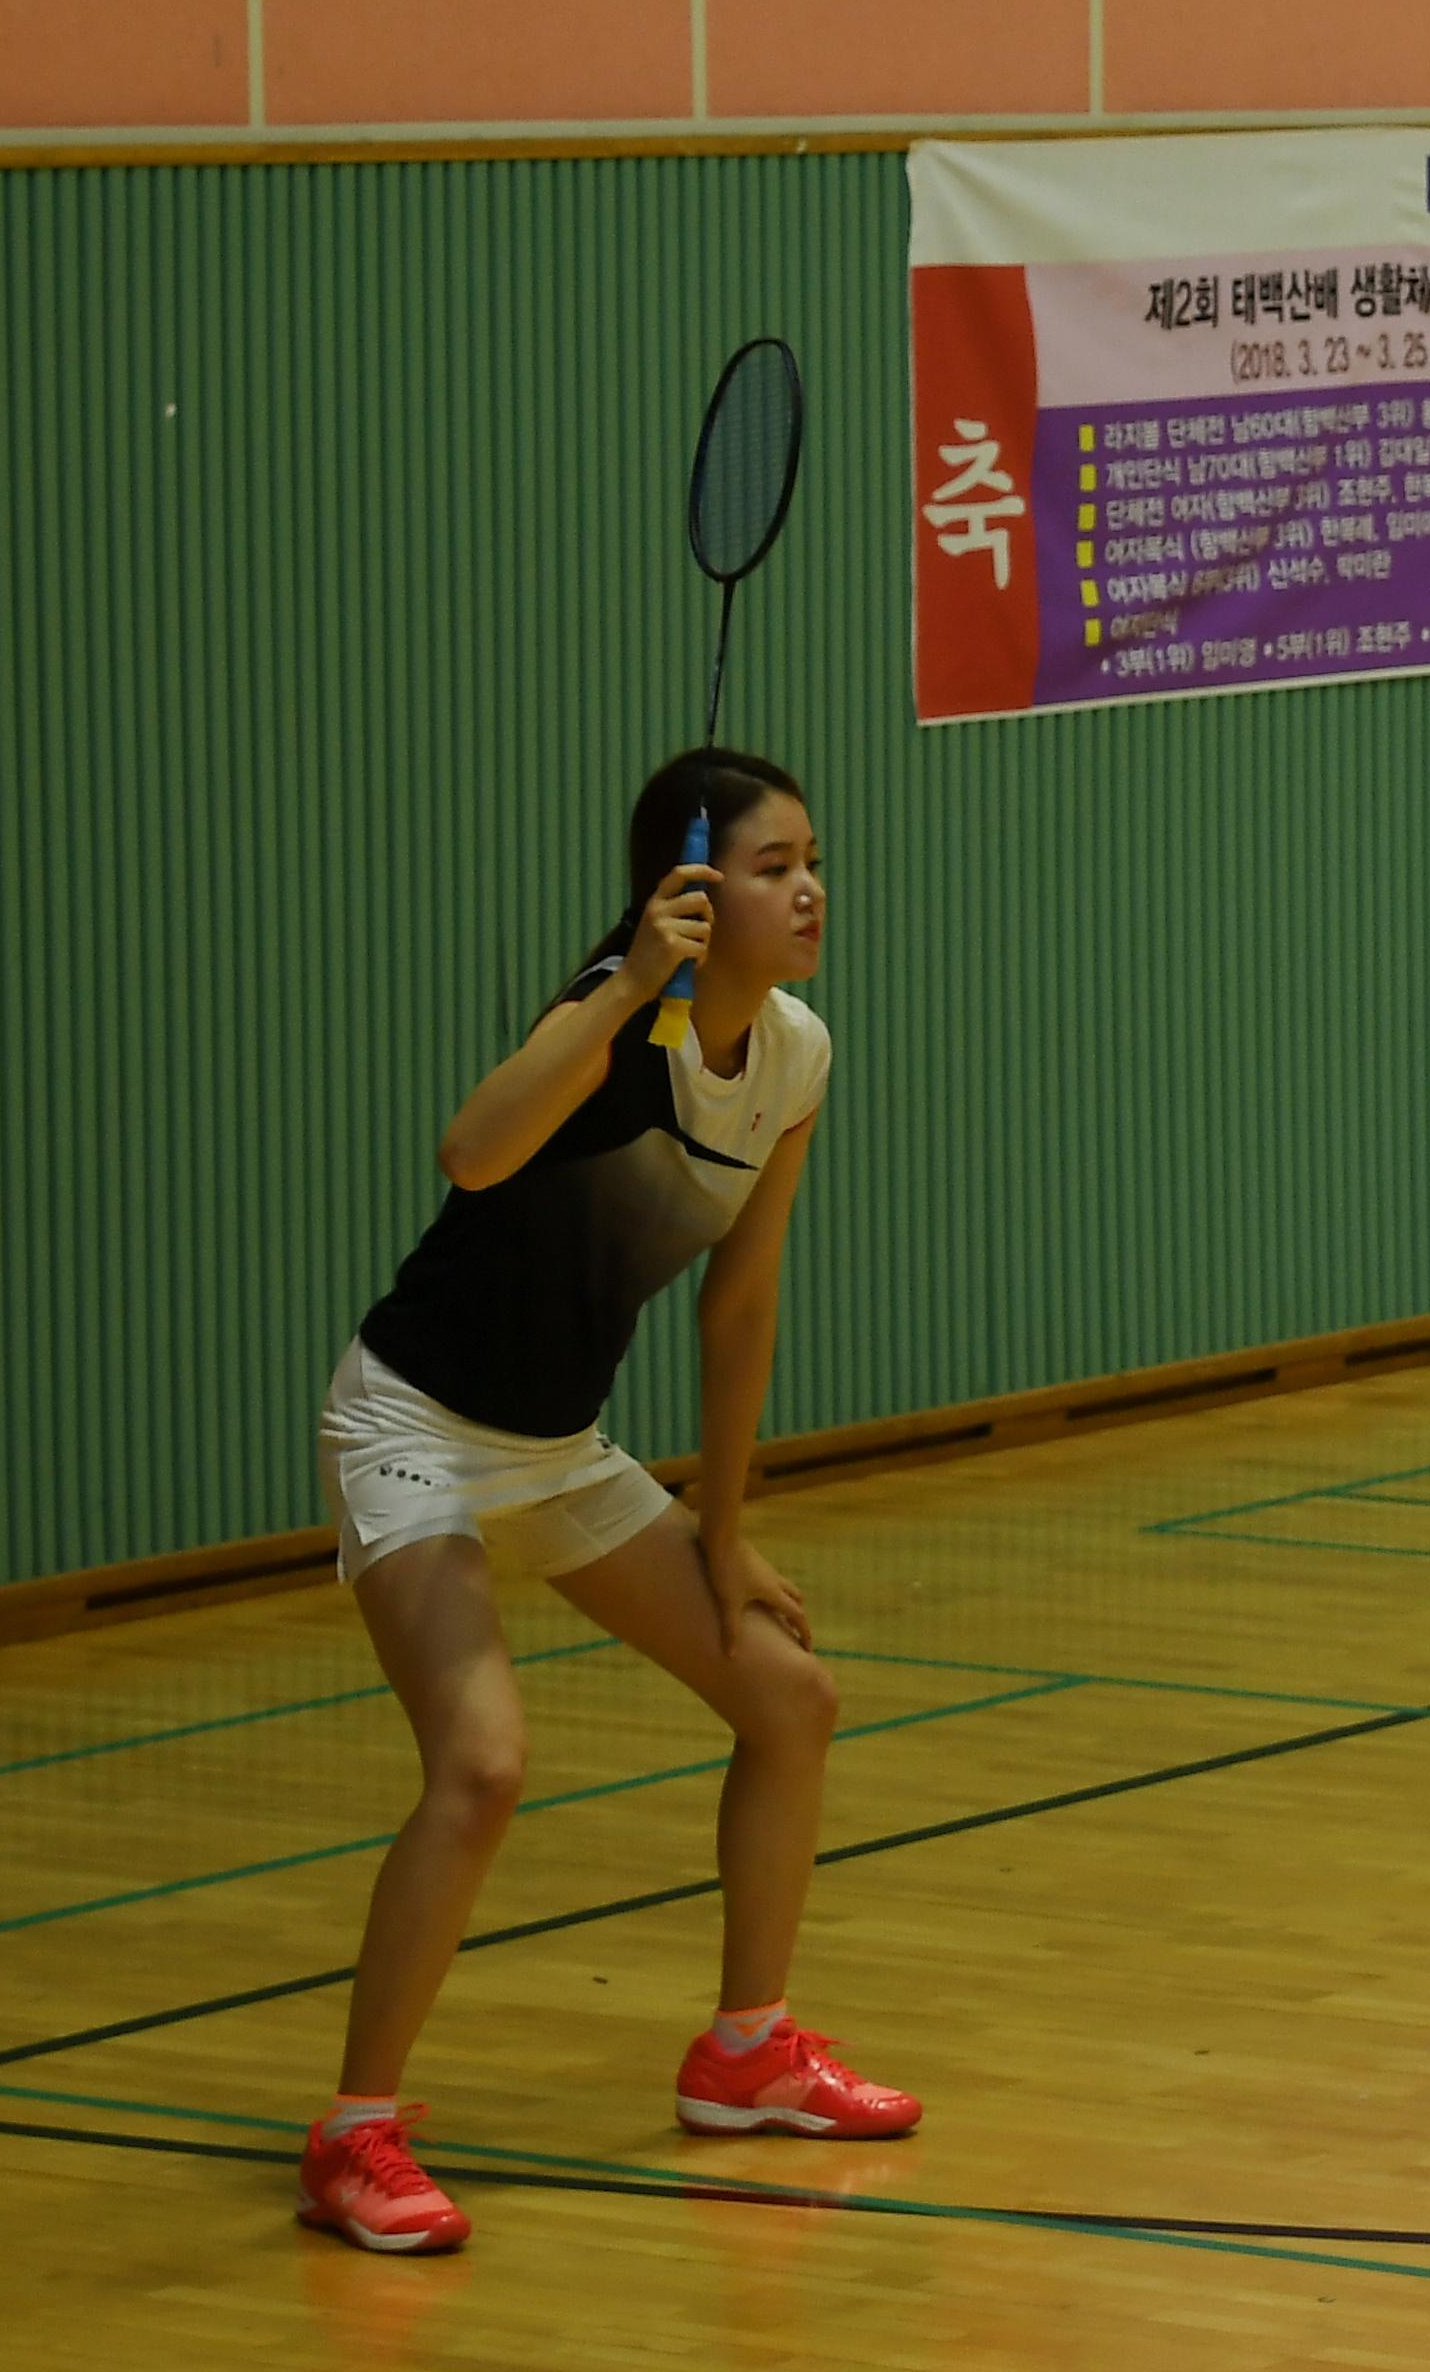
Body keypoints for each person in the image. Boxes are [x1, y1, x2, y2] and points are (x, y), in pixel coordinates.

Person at [295, 747, 915, 2257]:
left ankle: (746, 2053)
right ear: (691, 889)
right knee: (486, 1765)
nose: (811, 888)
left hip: (562, 1446)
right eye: (772, 867)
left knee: (791, 1697)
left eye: (812, 859)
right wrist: (626, 985)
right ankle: (354, 2136)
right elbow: (471, 1151)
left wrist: (723, 1524)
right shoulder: (603, 1027)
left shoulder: (797, 1056)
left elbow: (741, 1304)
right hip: (418, 1424)